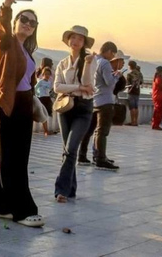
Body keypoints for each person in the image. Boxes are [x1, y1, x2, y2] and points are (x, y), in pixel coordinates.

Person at [0, 0, 44, 227]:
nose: (28, 24)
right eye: (25, 20)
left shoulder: (27, 51)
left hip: (23, 105)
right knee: (11, 158)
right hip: (7, 104)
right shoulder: (6, 42)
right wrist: (7, 6)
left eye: (33, 22)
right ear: (16, 22)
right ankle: (22, 210)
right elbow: (1, 27)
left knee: (16, 157)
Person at [52, 25, 95, 202]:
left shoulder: (91, 60)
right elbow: (57, 87)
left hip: (83, 108)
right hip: (65, 107)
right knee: (68, 150)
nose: (75, 41)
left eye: (80, 38)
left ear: (84, 42)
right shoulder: (63, 63)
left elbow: (88, 85)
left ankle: (60, 190)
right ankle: (71, 189)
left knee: (70, 149)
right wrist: (77, 87)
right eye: (73, 37)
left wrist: (87, 65)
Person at [92, 41, 121, 171]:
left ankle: (97, 155)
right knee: (103, 131)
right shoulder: (105, 63)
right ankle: (101, 159)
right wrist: (117, 76)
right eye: (113, 53)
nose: (113, 56)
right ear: (108, 51)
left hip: (96, 99)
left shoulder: (96, 61)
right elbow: (109, 83)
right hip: (105, 100)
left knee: (97, 131)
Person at [35, 67, 55, 136]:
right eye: (46, 74)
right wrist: (37, 94)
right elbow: (35, 88)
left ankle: (48, 130)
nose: (47, 75)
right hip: (41, 98)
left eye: (49, 74)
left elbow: (50, 90)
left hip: (47, 98)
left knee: (49, 113)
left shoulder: (49, 82)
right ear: (43, 74)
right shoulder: (40, 81)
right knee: (42, 113)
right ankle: (45, 130)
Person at [125, 61, 143, 126]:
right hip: (137, 91)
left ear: (130, 66)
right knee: (136, 107)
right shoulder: (139, 73)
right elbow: (141, 82)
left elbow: (127, 84)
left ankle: (132, 121)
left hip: (131, 91)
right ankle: (136, 121)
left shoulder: (129, 74)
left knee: (132, 107)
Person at [151, 66, 162, 131]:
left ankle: (155, 124)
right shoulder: (159, 79)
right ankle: (156, 124)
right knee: (159, 111)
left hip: (157, 96)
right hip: (159, 97)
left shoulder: (156, 78)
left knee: (157, 111)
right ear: (160, 72)